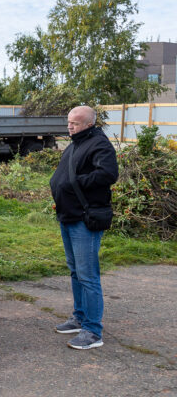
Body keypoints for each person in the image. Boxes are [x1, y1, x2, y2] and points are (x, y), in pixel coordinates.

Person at [49, 105, 117, 350]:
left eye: (75, 123)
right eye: (68, 122)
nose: (69, 127)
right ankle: (79, 317)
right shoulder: (77, 143)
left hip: (84, 219)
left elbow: (109, 173)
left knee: (88, 275)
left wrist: (74, 183)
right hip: (68, 216)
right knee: (76, 271)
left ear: (89, 124)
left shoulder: (99, 144)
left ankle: (92, 330)